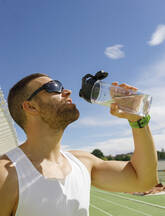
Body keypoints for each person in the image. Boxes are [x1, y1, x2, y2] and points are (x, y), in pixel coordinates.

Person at [0, 73, 158, 216]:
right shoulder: (5, 176)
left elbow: (144, 181)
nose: (67, 91)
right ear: (31, 107)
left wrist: (137, 120)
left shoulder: (83, 162)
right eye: (54, 87)